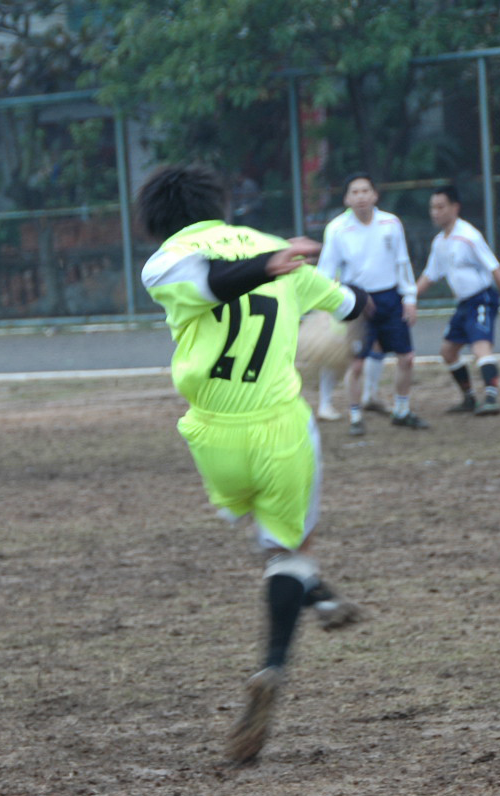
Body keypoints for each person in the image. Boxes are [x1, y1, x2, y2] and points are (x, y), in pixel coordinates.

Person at [135, 164, 368, 765]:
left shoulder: (163, 261)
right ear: (220, 204)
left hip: (212, 432)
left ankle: (317, 594)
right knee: (290, 547)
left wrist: (277, 269)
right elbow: (349, 304)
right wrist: (357, 308)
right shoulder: (273, 248)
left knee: (263, 530)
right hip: (280, 425)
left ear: (155, 220)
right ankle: (272, 665)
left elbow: (205, 282)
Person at [317, 174, 425, 435]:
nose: (361, 196)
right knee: (356, 364)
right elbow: (325, 271)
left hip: (390, 298)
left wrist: (410, 298)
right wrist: (328, 304)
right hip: (357, 302)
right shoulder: (336, 229)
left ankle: (402, 411)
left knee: (407, 358)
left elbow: (402, 262)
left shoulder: (391, 223)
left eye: (365, 191)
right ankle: (355, 417)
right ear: (347, 198)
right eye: (354, 192)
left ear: (375, 195)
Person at [415, 185, 500, 415]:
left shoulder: (469, 236)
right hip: (464, 303)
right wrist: (408, 299)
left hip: (482, 299)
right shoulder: (439, 242)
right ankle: (469, 398)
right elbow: (430, 275)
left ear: (455, 208)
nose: (435, 212)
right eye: (433, 207)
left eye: (441, 207)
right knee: (448, 352)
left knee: (480, 348)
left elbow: (495, 268)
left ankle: (491, 398)